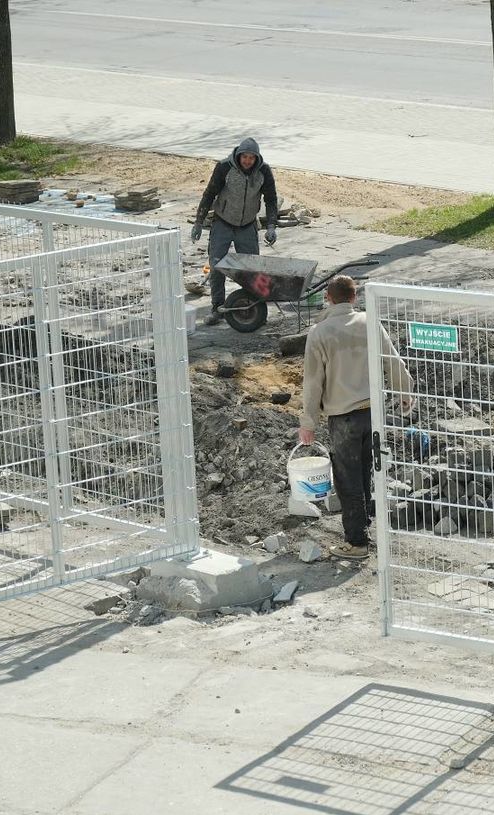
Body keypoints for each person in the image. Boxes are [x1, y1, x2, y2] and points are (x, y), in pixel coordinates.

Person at [299, 275, 413, 561]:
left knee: (347, 478)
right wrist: (405, 393)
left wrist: (308, 423)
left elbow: (313, 382)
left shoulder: (320, 333)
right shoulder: (369, 323)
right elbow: (393, 361)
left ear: (328, 297)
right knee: (367, 471)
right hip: (374, 412)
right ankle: (368, 525)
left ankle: (357, 542)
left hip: (343, 417)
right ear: (354, 297)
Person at [190, 138, 279, 326]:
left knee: (252, 269)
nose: (247, 161)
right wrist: (198, 222)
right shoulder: (224, 168)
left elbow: (271, 199)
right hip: (223, 222)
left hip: (247, 225)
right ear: (238, 155)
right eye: (244, 157)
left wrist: (271, 226)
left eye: (251, 158)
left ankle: (254, 308)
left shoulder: (264, 171)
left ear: (257, 158)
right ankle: (217, 308)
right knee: (216, 266)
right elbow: (209, 194)